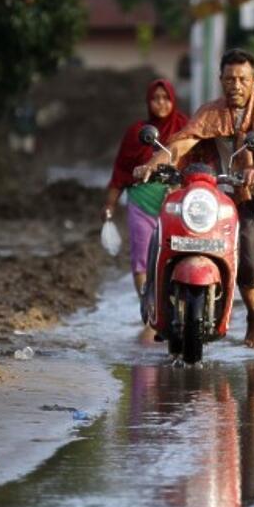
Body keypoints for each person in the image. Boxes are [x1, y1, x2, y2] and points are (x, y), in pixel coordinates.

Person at [133, 49, 254, 362]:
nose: (236, 85)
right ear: (221, 81)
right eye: (229, 79)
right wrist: (157, 159)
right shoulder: (212, 112)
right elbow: (184, 140)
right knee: (251, 267)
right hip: (243, 194)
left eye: (242, 79)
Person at [104, 79, 188, 335]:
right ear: (148, 102)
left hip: (175, 204)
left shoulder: (185, 128)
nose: (161, 103)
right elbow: (121, 170)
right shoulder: (137, 131)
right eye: (156, 98)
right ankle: (150, 313)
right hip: (141, 202)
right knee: (142, 260)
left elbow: (199, 163)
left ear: (173, 100)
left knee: (178, 255)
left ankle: (181, 309)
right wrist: (109, 204)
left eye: (166, 98)